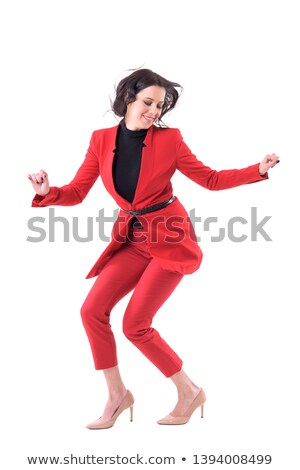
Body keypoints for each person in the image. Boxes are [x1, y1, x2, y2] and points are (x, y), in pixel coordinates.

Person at [27, 68, 279, 429]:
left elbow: (209, 179)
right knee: (92, 311)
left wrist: (256, 170)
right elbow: (79, 191)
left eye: (160, 106)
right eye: (148, 102)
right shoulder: (100, 139)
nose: (154, 111)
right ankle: (117, 396)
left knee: (135, 325)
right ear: (129, 98)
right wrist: (46, 193)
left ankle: (189, 391)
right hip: (132, 237)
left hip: (169, 239)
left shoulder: (169, 140)